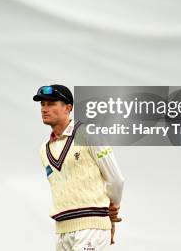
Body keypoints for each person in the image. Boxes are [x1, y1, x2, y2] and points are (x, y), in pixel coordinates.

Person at [35, 84, 125, 251]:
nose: (44, 109)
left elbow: (116, 179)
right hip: (62, 230)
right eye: (42, 104)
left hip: (91, 227)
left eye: (51, 103)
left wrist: (113, 211)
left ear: (68, 108)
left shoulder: (88, 133)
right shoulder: (44, 149)